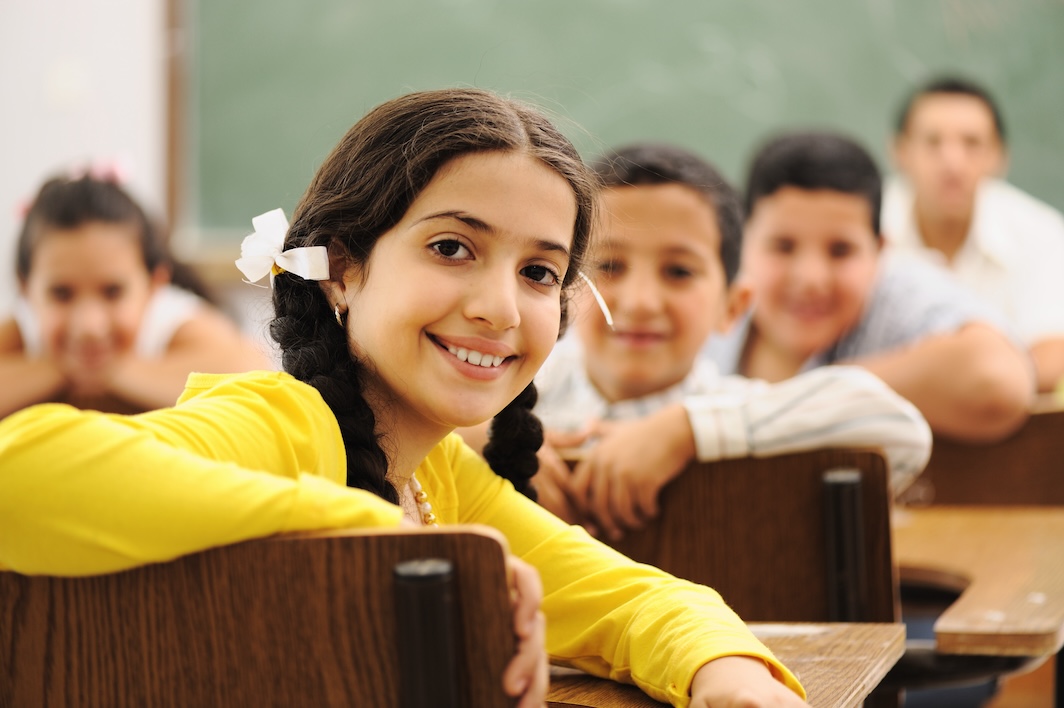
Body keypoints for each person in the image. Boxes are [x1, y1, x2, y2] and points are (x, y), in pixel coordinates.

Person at [0, 89, 807, 708]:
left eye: (539, 272)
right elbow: (17, 473)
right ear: (344, 269)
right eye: (453, 248)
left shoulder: (443, 480)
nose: (499, 305)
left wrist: (727, 674)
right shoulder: (281, 423)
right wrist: (387, 541)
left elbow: (637, 601)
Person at [495, 143, 931, 539]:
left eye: (679, 272)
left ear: (733, 306)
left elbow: (903, 432)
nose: (642, 302)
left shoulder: (737, 414)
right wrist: (477, 437)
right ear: (564, 287)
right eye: (609, 266)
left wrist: (687, 431)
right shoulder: (505, 395)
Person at [704, 131, 1034, 443]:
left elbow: (997, 379)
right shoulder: (706, 304)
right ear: (742, 242)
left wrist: (778, 409)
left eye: (841, 251)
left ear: (880, 250)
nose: (810, 278)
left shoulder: (899, 296)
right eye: (783, 247)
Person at [0, 173, 271, 417]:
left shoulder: (173, 319)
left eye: (112, 292)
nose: (89, 326)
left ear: (154, 285)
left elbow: (254, 375)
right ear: (25, 289)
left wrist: (113, 371)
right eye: (61, 294)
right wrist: (58, 369)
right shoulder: (23, 328)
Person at [884, 75, 1064, 393]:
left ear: (999, 157)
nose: (953, 162)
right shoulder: (861, 233)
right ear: (900, 151)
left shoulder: (1043, 233)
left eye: (972, 144)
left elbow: (1054, 354)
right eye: (933, 142)